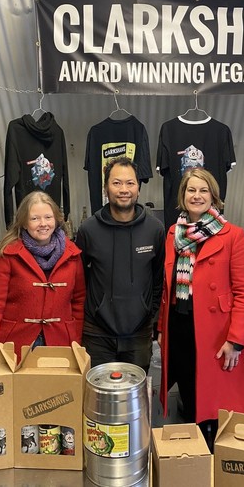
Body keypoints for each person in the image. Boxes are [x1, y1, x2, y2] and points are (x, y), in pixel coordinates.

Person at [157, 168, 244, 447]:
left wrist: (236, 340)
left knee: (217, 403)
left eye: (203, 190)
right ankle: (195, 455)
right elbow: (166, 287)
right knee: (189, 393)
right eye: (191, 190)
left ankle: (216, 454)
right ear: (183, 196)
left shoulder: (232, 235)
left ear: (214, 197)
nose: (197, 196)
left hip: (216, 332)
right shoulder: (173, 233)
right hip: (179, 327)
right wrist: (161, 328)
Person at [76, 156, 165, 373]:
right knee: (96, 393)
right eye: (116, 183)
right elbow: (79, 280)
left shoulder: (155, 230)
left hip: (138, 335)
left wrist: (149, 314)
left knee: (135, 393)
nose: (124, 189)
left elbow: (158, 279)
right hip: (97, 335)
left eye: (130, 183)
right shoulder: (89, 230)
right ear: (106, 188)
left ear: (138, 188)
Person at [0, 191, 85, 362]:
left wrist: (75, 344)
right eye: (35, 218)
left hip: (60, 344)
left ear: (57, 220)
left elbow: (78, 303)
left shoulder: (72, 255)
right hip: (16, 346)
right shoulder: (8, 256)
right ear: (24, 223)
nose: (43, 224)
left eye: (48, 217)